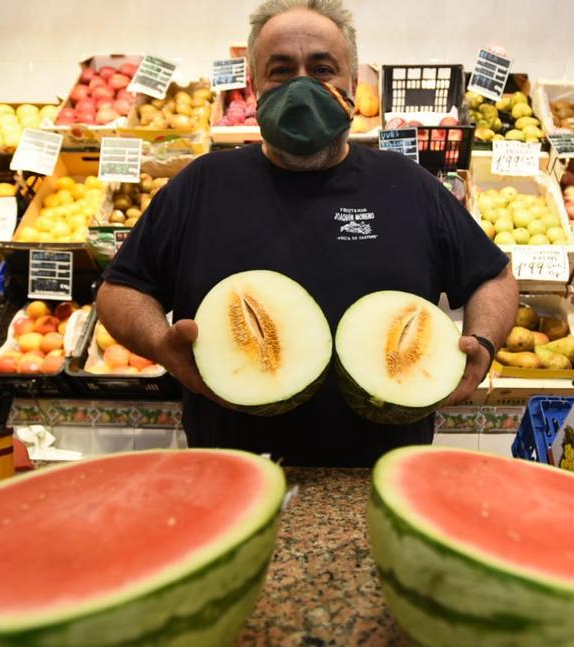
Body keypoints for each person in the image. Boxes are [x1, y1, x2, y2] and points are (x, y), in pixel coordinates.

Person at [96, 0, 517, 466]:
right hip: (233, 473)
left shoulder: (408, 184)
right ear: (255, 88)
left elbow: (492, 278)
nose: (301, 84)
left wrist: (483, 341)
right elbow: (120, 290)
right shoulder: (200, 184)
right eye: (280, 70)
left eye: (321, 68)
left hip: (383, 474)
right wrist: (158, 341)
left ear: (352, 87)